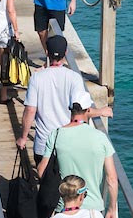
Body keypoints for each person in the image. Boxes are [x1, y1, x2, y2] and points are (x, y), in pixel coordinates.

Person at [16, 36, 112, 165]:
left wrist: (23, 138)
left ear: (46, 53)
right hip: (67, 143)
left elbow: (30, 110)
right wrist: (101, 111)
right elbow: (82, 110)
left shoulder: (36, 78)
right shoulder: (74, 78)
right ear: (66, 53)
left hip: (43, 144)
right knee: (66, 183)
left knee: (45, 182)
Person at [37, 103, 118, 218]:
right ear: (88, 110)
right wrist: (112, 208)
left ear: (70, 110)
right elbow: (112, 179)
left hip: (64, 206)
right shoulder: (100, 137)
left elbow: (41, 172)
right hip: (93, 209)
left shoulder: (56, 135)